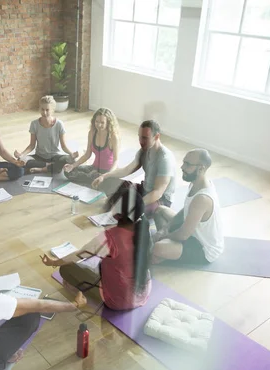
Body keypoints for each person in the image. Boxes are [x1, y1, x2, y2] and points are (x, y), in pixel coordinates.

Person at [41, 183, 152, 311]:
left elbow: (77, 256)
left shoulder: (109, 238)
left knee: (66, 269)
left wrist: (53, 262)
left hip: (120, 301)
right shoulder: (144, 227)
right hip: (143, 292)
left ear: (117, 214)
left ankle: (86, 295)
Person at [151, 149, 224, 264]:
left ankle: (163, 252)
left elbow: (183, 235)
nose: (182, 167)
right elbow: (186, 210)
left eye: (188, 164)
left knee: (157, 248)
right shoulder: (195, 182)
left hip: (202, 248)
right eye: (184, 162)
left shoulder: (202, 199)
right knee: (160, 210)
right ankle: (165, 252)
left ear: (201, 168)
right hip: (191, 230)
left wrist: (164, 236)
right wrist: (165, 229)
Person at [93, 120, 176, 216]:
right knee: (122, 187)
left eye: (145, 138)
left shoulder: (164, 158)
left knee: (128, 212)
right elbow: (127, 170)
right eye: (139, 137)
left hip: (160, 199)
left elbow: (158, 192)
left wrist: (136, 204)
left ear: (157, 136)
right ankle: (101, 214)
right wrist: (104, 176)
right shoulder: (144, 151)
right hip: (145, 189)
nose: (141, 141)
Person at [14, 95, 78, 174]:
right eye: (42, 109)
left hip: (55, 157)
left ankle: (41, 169)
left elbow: (64, 146)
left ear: (52, 110)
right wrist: (21, 155)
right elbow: (32, 145)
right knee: (21, 161)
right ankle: (50, 166)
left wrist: (71, 154)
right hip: (39, 157)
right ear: (39, 109)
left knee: (70, 160)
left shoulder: (59, 124)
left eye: (47, 110)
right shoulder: (34, 124)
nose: (44, 112)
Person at [63, 108, 121, 186]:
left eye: (102, 122)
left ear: (108, 123)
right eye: (97, 121)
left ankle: (94, 178)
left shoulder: (113, 137)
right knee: (68, 172)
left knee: (109, 182)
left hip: (107, 172)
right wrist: (72, 166)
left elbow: (116, 160)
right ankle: (93, 178)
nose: (99, 125)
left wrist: (106, 175)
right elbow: (87, 154)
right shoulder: (92, 133)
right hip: (94, 168)